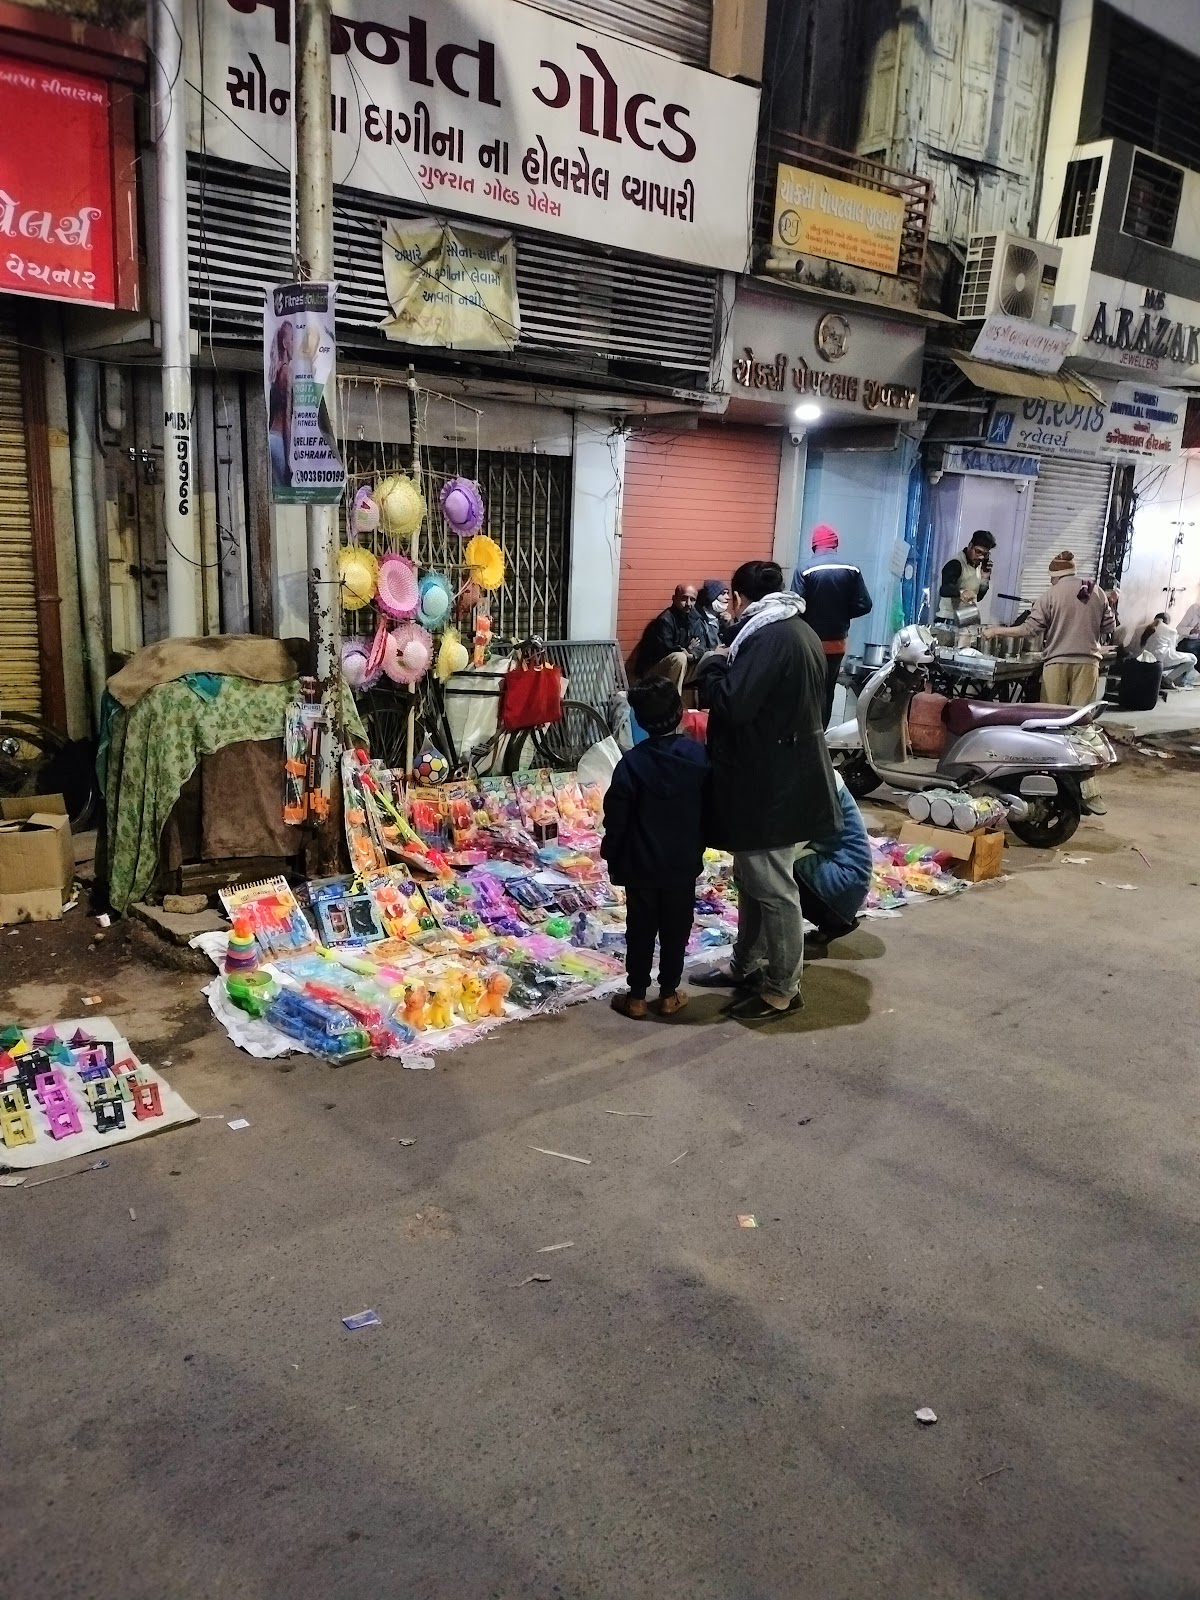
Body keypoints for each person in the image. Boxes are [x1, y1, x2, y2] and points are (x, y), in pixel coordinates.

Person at [693, 559, 841, 1020]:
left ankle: (783, 988)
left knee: (773, 888)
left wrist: (713, 666)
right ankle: (748, 964)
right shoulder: (795, 628)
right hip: (776, 774)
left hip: (772, 783)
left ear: (738, 598)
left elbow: (734, 704)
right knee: (753, 880)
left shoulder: (769, 637)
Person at [601, 678, 708, 1020]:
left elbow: (616, 818)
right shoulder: (698, 757)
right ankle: (669, 994)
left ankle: (635, 996)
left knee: (640, 930)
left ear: (641, 722)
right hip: (681, 864)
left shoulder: (631, 763)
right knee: (676, 929)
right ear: (680, 714)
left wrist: (611, 854)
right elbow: (713, 806)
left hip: (640, 867)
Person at [985, 549, 1115, 812]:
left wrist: (995, 630)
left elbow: (1028, 629)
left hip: (1056, 665)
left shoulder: (1050, 595)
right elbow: (1109, 627)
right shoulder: (1096, 590)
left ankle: (1051, 786)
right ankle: (1086, 789)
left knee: (1051, 728)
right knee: (1081, 727)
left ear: (1054, 576)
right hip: (1088, 664)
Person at [790, 523, 874, 725]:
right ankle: (823, 738)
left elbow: (795, 607)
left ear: (814, 546)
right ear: (835, 545)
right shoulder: (852, 568)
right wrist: (842, 614)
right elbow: (865, 604)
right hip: (836, 645)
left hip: (809, 644)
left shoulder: (805, 569)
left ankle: (805, 741)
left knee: (807, 692)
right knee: (828, 691)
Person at [794, 774, 873, 944]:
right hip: (851, 883)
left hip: (844, 881)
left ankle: (779, 945)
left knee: (771, 869)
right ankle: (832, 923)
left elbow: (788, 850)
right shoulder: (824, 774)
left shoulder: (816, 785)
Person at [628, 584, 705, 695]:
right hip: (657, 671)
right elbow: (664, 650)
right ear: (674, 598)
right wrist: (684, 651)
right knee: (679, 657)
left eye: (692, 600)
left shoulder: (695, 618)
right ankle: (673, 703)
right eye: (684, 598)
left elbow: (701, 644)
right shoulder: (665, 620)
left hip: (684, 665)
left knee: (710, 656)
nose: (688, 603)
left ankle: (708, 704)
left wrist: (691, 655)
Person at [938, 529, 995, 618]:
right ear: (970, 546)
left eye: (985, 554)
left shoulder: (979, 566)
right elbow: (944, 589)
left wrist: (985, 578)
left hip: (966, 618)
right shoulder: (956, 563)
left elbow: (979, 597)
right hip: (948, 620)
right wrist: (962, 592)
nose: (981, 557)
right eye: (978, 551)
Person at [696, 578, 731, 650]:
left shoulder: (723, 619)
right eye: (723, 593)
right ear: (712, 596)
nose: (728, 597)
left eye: (727, 593)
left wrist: (728, 626)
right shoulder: (698, 619)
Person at [1175, 595, 1200, 664]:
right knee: (1191, 647)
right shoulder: (1194, 609)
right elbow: (1178, 629)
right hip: (1187, 640)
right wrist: (1192, 631)